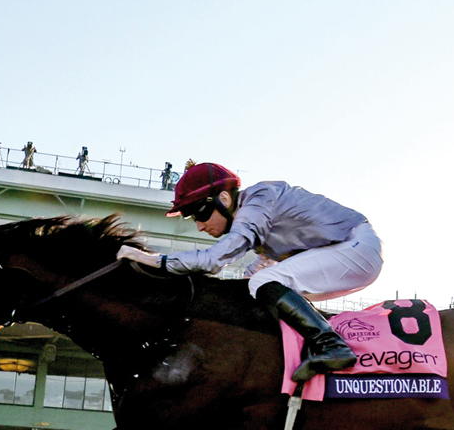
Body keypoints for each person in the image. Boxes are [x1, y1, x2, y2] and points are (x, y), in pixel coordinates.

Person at [116, 163, 384, 382]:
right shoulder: (260, 222)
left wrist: (153, 260)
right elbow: (247, 280)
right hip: (347, 250)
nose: (199, 226)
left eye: (199, 213)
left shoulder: (259, 198)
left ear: (223, 198)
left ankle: (331, 346)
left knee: (263, 281)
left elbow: (214, 259)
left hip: (357, 246)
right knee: (255, 287)